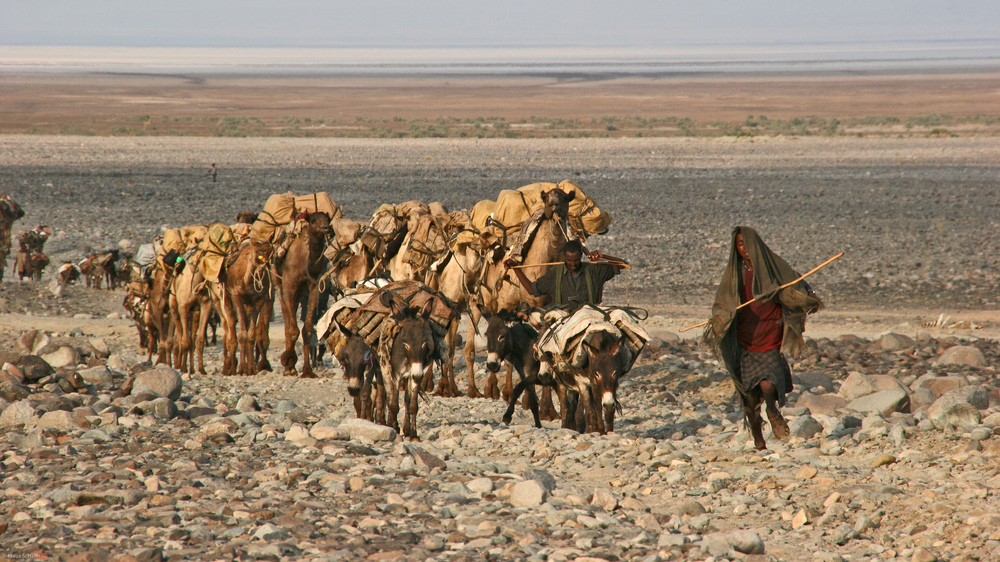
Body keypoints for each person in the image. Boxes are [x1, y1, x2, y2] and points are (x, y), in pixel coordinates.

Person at [705, 226, 822, 451]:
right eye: (740, 245)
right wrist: (720, 319)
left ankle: (772, 410)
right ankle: (759, 440)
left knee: (769, 384)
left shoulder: (773, 268)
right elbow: (722, 303)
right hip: (744, 340)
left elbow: (796, 284)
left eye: (748, 244)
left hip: (770, 335)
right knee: (749, 399)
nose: (745, 249)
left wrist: (806, 296)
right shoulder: (734, 274)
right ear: (735, 248)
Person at [506, 239, 628, 308]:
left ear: (581, 256)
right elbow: (531, 290)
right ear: (564, 257)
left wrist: (603, 257)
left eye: (576, 260)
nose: (573, 264)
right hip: (563, 321)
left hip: (592, 318)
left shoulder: (594, 270)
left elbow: (623, 265)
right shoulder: (555, 273)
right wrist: (516, 268)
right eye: (569, 260)